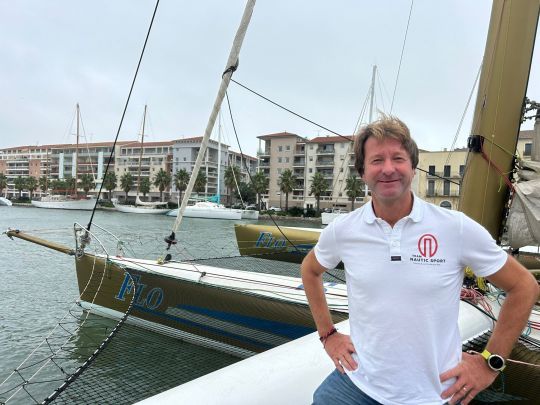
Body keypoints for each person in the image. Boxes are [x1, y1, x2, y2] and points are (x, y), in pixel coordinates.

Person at [301, 116, 539, 405]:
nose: (388, 168)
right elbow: (310, 270)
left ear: (412, 168)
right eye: (377, 160)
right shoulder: (344, 230)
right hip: (357, 383)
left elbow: (524, 286)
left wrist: (490, 361)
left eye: (398, 158)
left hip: (434, 393)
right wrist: (328, 335)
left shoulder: (455, 228)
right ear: (362, 172)